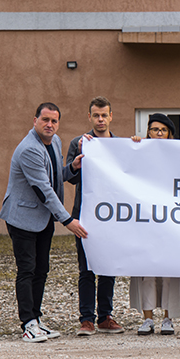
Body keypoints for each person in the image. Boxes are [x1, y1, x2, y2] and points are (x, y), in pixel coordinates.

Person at [0, 102, 88, 342]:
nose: (49, 125)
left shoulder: (55, 141)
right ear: (35, 120)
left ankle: (36, 319)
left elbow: (55, 177)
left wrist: (72, 168)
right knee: (27, 270)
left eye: (54, 121)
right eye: (45, 120)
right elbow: (43, 189)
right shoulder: (29, 149)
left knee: (41, 270)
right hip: (22, 218)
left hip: (43, 218)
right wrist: (67, 220)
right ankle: (28, 324)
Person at [66, 96, 125, 336]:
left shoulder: (120, 145)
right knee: (86, 269)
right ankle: (87, 319)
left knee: (108, 267)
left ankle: (105, 317)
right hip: (85, 215)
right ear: (89, 117)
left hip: (112, 216)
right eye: (96, 115)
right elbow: (69, 178)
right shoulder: (79, 143)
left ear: (111, 117)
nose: (100, 119)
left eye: (104, 115)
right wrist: (77, 163)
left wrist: (136, 145)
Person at [129, 113, 180, 335]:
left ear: (169, 134)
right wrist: (131, 147)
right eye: (154, 129)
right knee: (146, 269)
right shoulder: (139, 151)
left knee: (169, 270)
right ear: (148, 132)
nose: (158, 133)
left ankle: (168, 318)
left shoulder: (179, 153)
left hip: (172, 219)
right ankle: (147, 319)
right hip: (145, 219)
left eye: (163, 130)